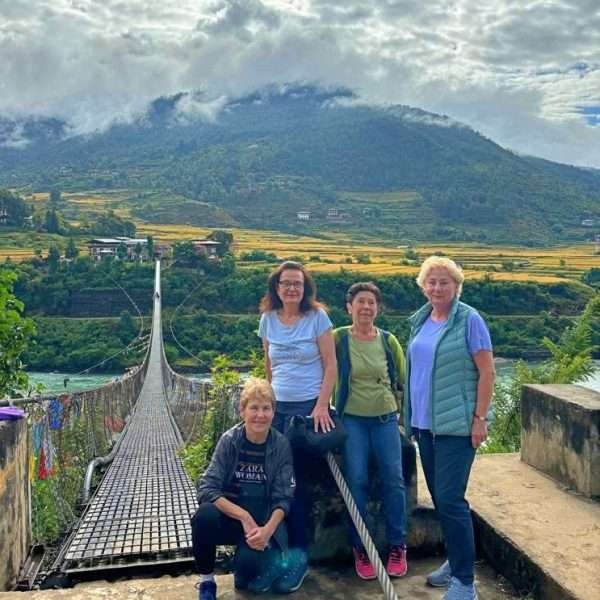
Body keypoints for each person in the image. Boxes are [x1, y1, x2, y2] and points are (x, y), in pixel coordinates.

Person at [405, 256, 495, 600]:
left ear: (457, 286)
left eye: (444, 282)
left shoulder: (470, 320)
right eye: (431, 282)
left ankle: (464, 582)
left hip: (456, 426)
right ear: (423, 286)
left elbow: (487, 372)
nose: (437, 288)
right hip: (425, 425)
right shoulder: (422, 320)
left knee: (451, 500)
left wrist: (480, 419)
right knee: (443, 500)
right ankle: (456, 561)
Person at [258, 260, 337, 592]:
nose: (292, 288)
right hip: (276, 412)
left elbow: (331, 363)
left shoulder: (317, 318)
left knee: (295, 486)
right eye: (286, 283)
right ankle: (276, 557)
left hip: (306, 412)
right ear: (277, 287)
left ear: (305, 289)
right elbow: (269, 364)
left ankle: (299, 560)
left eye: (298, 284)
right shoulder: (267, 321)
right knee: (272, 484)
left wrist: (321, 405)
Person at [192, 378, 295, 600]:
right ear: (242, 411)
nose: (260, 415)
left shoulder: (281, 445)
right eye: (254, 408)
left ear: (273, 412)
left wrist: (266, 530)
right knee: (204, 517)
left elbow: (284, 497)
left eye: (266, 408)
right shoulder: (230, 441)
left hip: (261, 522)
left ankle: (248, 562)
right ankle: (207, 582)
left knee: (246, 578)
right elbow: (207, 487)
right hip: (231, 517)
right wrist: (243, 516)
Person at [333, 282, 408, 580]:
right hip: (351, 420)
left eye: (371, 303)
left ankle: (397, 545)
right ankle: (360, 547)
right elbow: (322, 369)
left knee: (394, 479)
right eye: (360, 302)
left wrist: (406, 419)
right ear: (349, 307)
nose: (366, 307)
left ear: (378, 308)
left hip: (385, 419)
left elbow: (403, 379)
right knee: (357, 481)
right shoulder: (337, 338)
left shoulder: (389, 341)